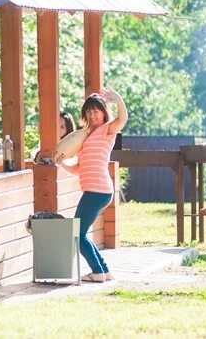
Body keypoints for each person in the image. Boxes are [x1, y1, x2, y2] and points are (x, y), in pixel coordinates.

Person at [53, 87, 127, 283]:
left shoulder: (106, 130)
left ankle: (97, 273)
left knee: (77, 234)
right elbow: (78, 167)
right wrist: (62, 163)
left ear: (103, 113)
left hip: (98, 190)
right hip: (95, 191)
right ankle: (104, 271)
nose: (92, 115)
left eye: (96, 111)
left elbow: (122, 119)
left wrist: (117, 99)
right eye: (89, 111)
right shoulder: (86, 135)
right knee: (82, 234)